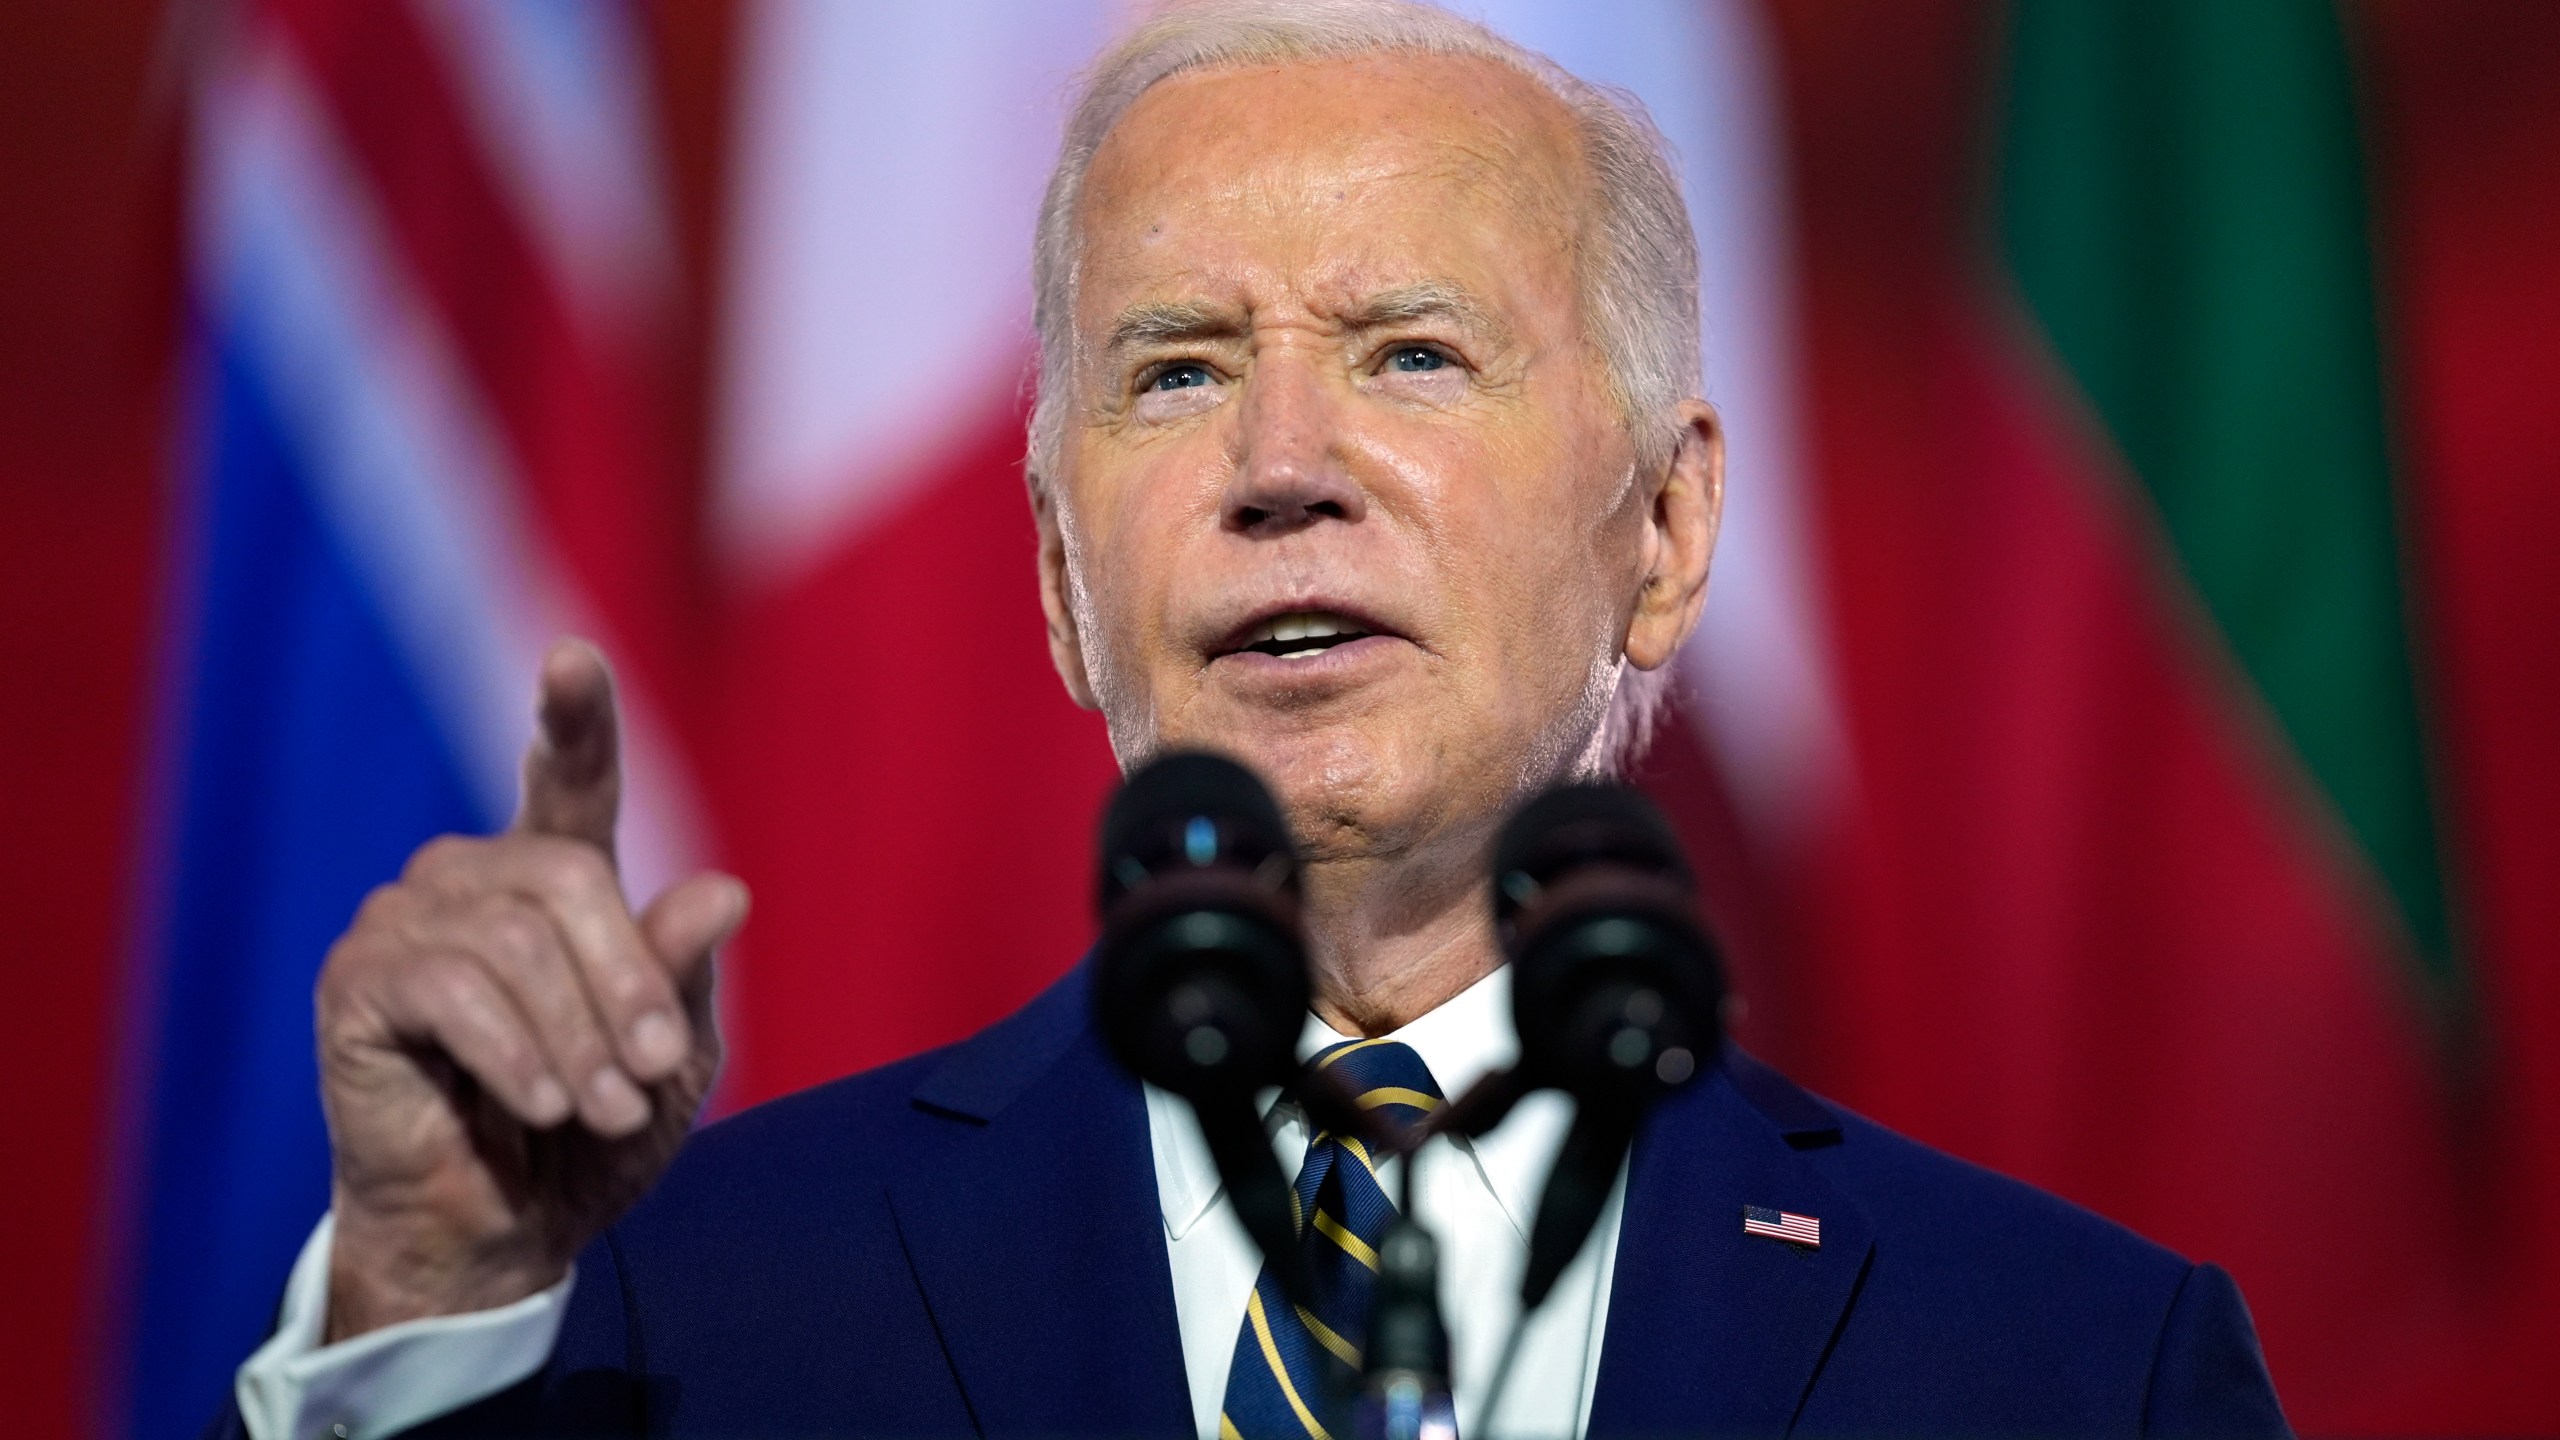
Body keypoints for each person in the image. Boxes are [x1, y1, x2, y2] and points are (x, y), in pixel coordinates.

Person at [216, 2, 2289, 1436]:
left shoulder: (2064, 1367)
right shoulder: (686, 1313)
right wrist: (423, 1301)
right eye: (1181, 372)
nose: (1280, 468)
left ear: (1663, 532)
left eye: (1410, 354)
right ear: (1060, 578)